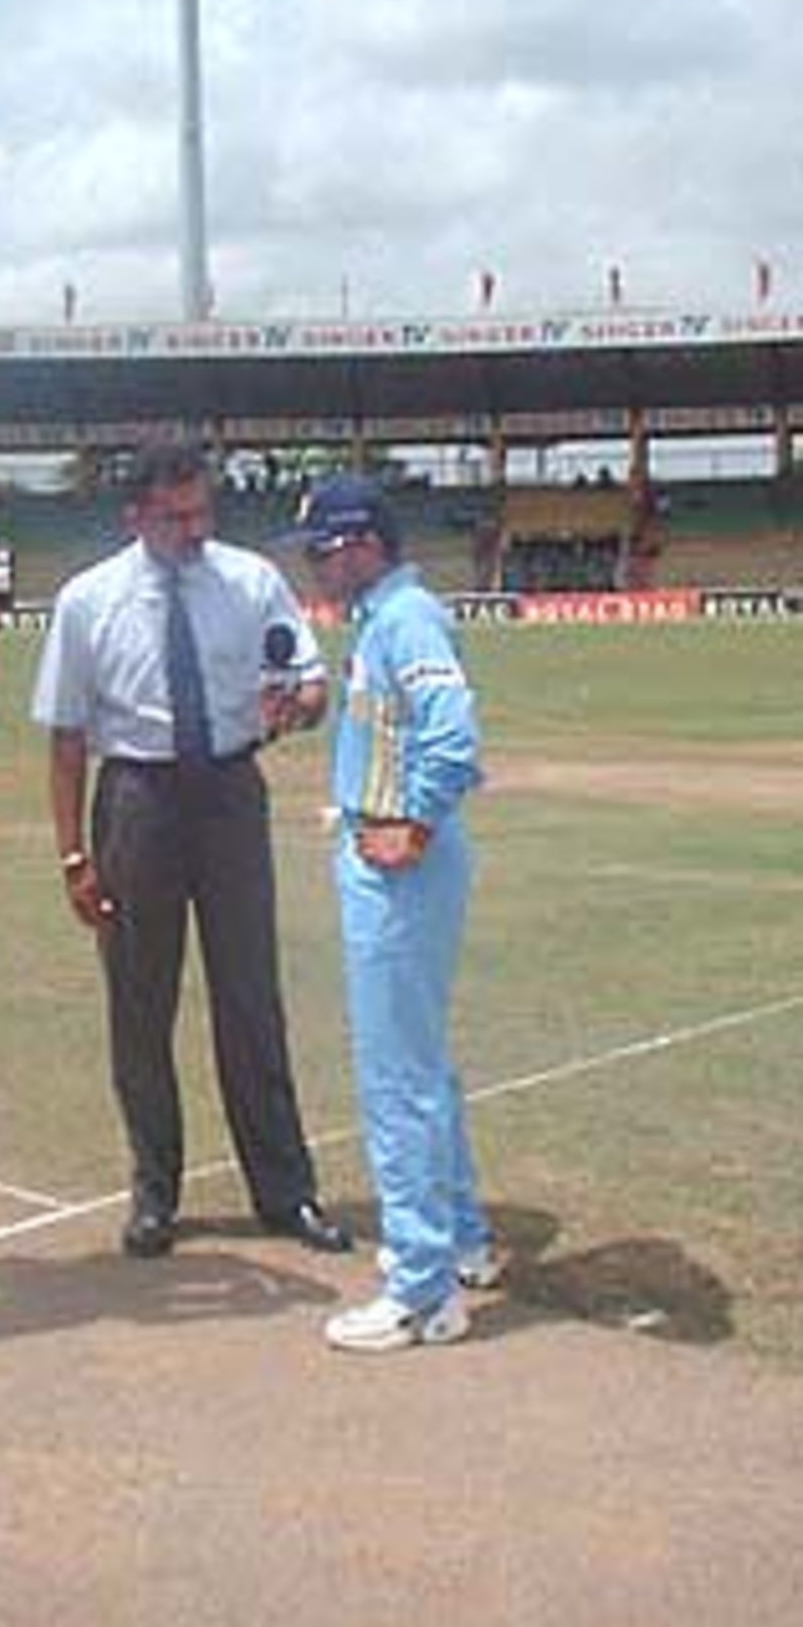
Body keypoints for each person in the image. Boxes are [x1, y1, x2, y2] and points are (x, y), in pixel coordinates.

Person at [31, 437, 351, 1259]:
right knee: (140, 1005)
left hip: (231, 794)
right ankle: (155, 1194)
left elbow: (310, 680)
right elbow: (66, 739)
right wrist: (73, 856)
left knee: (251, 997)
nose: (195, 529)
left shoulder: (251, 580)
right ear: (134, 516)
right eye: (175, 517)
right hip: (137, 800)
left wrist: (300, 704)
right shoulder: (87, 600)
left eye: (204, 510)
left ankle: (286, 1193)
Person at [297, 474, 500, 1353]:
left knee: (396, 1080)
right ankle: (460, 1240)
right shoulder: (385, 618)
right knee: (422, 1067)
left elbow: (453, 734)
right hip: (390, 848)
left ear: (363, 544)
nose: (314, 566)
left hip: (400, 867)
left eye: (322, 549)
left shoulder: (406, 620)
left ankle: (422, 1292)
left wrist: (411, 820)